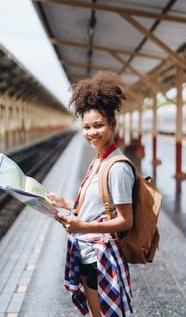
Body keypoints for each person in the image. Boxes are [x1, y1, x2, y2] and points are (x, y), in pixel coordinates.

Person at [48, 71, 134, 317]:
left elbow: (126, 221)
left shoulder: (116, 167)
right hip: (88, 253)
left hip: (101, 257)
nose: (91, 132)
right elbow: (96, 206)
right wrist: (65, 203)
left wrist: (81, 226)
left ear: (113, 124)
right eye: (86, 127)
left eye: (98, 125)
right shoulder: (99, 160)